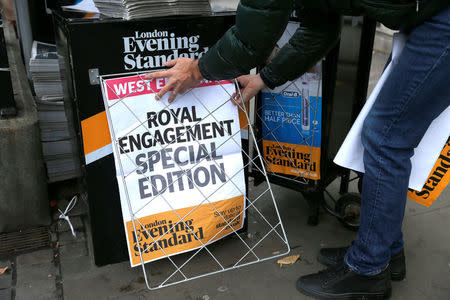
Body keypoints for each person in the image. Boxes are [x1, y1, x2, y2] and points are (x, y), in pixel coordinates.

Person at [145, 0, 450, 298]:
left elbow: (250, 42)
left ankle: (369, 269)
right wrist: (266, 77)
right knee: (382, 133)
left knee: (385, 140)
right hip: (426, 15)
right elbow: (321, 28)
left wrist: (198, 69)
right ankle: (385, 250)